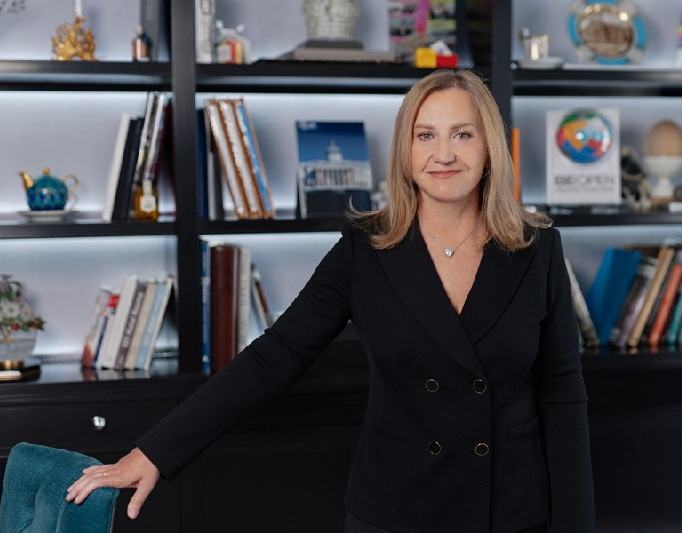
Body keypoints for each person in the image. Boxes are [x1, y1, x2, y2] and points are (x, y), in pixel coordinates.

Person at [67, 69, 595, 533]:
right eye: (425, 135)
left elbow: (563, 394)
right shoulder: (366, 249)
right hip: (397, 508)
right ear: (406, 152)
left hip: (511, 510)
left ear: (490, 147)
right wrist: (155, 452)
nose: (444, 154)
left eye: (463, 134)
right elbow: (276, 355)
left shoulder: (537, 249)